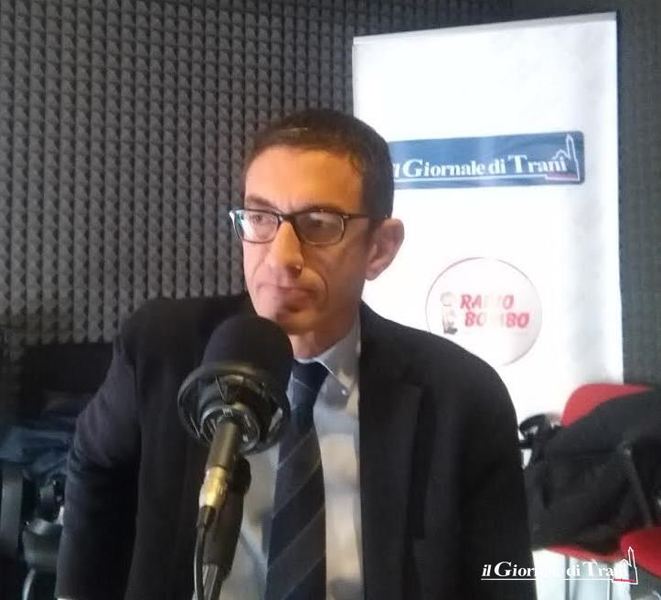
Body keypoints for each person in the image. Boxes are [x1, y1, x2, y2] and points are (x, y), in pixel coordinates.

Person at [56, 108, 534, 599]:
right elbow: (94, 462)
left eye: (320, 224)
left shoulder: (463, 397)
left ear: (380, 247)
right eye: (261, 218)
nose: (281, 257)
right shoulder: (161, 348)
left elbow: (502, 579)